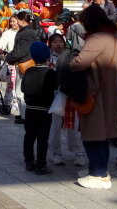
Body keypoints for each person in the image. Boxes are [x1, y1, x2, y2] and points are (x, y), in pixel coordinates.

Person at [70, 4, 117, 190]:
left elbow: (79, 62)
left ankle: (98, 175)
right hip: (109, 90)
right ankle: (99, 170)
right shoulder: (113, 37)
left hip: (94, 92)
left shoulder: (97, 38)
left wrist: (70, 60)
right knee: (102, 135)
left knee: (93, 134)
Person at [47, 33, 85, 168]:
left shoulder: (71, 56)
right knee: (55, 126)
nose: (58, 44)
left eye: (60, 42)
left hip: (71, 94)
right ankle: (56, 153)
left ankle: (79, 153)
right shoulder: (47, 58)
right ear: (50, 44)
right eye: (55, 42)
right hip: (56, 96)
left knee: (76, 125)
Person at [21, 41, 57, 175]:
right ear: (48, 57)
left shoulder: (28, 71)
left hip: (30, 109)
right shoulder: (50, 73)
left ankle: (29, 161)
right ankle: (41, 165)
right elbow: (55, 87)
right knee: (43, 138)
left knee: (29, 136)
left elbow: (23, 88)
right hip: (44, 110)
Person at [6, 11, 39, 124]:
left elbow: (22, 50)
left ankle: (25, 116)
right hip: (24, 63)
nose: (14, 22)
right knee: (22, 90)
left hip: (25, 64)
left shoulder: (27, 33)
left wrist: (10, 58)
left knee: (20, 91)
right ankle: (24, 114)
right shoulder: (27, 31)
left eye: (17, 20)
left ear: (22, 21)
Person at [0, 16, 19, 110]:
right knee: (11, 84)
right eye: (11, 21)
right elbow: (1, 43)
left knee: (20, 85)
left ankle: (17, 101)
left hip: (22, 63)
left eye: (14, 21)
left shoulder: (23, 33)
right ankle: (7, 102)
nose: (12, 23)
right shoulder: (7, 33)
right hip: (11, 62)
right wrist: (0, 49)